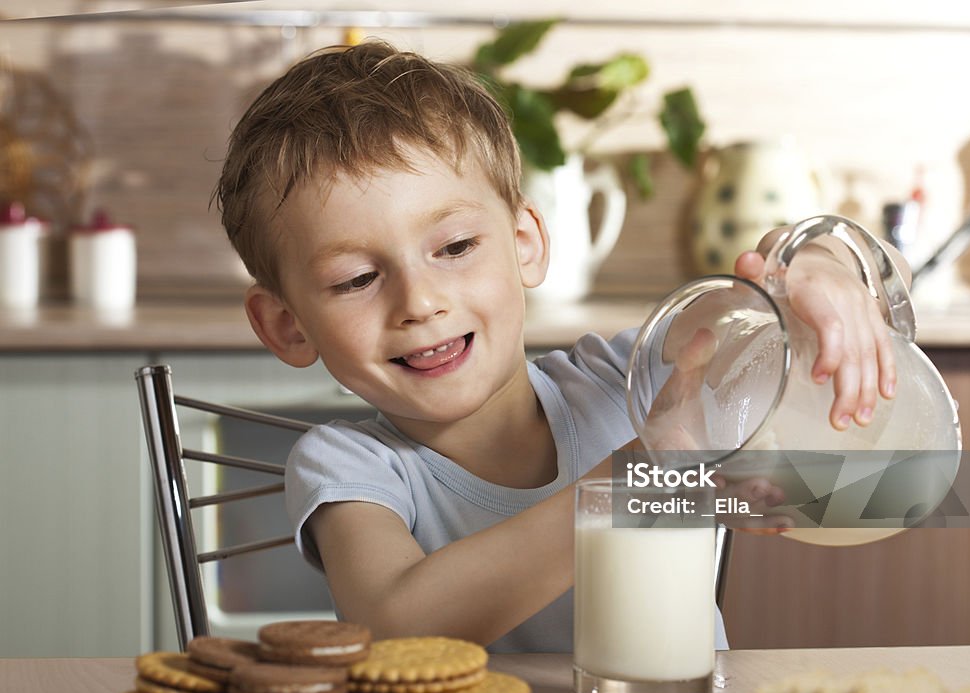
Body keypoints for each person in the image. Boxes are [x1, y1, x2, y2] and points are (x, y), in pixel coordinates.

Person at [214, 41, 910, 653]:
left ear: (525, 245)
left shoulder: (627, 379)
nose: (420, 302)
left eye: (455, 247)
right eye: (357, 278)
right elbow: (396, 624)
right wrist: (643, 475)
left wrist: (826, 269)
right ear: (287, 326)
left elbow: (864, 290)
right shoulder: (350, 468)